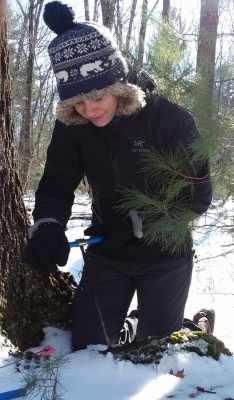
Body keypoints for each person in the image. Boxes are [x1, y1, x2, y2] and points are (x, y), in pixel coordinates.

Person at [24, 1, 213, 351]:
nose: (89, 110)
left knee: (155, 350)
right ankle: (128, 326)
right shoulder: (75, 125)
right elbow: (56, 183)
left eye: (96, 96)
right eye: (76, 102)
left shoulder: (170, 120)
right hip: (107, 252)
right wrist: (47, 225)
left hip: (165, 254)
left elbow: (197, 196)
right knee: (88, 349)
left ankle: (196, 325)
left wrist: (138, 224)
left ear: (117, 80)